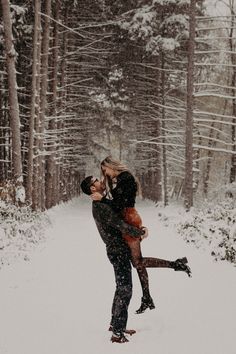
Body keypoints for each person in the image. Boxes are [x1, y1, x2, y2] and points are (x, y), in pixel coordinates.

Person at [91, 156, 192, 314]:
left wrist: (103, 199)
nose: (106, 174)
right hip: (129, 217)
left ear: (111, 166)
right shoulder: (122, 178)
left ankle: (175, 265)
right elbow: (118, 203)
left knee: (138, 261)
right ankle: (147, 297)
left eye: (105, 170)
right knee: (138, 262)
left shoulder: (126, 178)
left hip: (130, 218)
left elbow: (120, 204)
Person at [80, 176, 148, 343]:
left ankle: (115, 325)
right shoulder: (100, 207)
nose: (100, 180)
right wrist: (140, 233)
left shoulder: (102, 203)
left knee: (121, 288)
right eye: (96, 180)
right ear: (92, 188)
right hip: (117, 251)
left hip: (118, 249)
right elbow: (120, 224)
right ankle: (117, 334)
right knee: (125, 289)